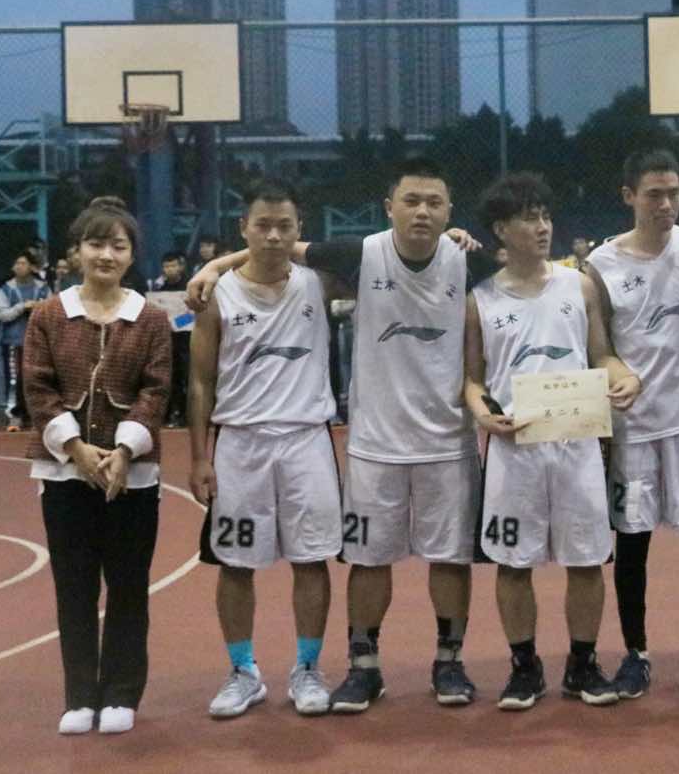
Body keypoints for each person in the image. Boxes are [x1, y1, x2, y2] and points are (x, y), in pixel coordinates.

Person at [184, 157, 484, 712]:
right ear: (388, 207)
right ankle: (286, 668)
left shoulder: (333, 278)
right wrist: (213, 266)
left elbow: (523, 271)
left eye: (434, 203)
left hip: (360, 440)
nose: (274, 236)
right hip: (323, 443)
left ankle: (409, 663)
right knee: (306, 561)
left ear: (449, 211)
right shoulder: (344, 261)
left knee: (347, 558)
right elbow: (202, 375)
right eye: (411, 200)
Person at [463, 171, 641, 711]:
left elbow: (602, 355)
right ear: (501, 229)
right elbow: (472, 379)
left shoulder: (577, 286)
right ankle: (524, 666)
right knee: (513, 563)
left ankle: (582, 664)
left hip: (577, 445)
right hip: (514, 448)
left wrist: (625, 376)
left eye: (545, 216)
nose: (542, 227)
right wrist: (482, 414)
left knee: (586, 559)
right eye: (528, 218)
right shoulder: (479, 300)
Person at [187, 179, 342, 719]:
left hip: (306, 440)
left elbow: (381, 258)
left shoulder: (319, 283)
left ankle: (307, 668)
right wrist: (199, 456)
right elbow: (200, 381)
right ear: (243, 228)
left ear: (300, 230)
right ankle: (243, 671)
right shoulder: (217, 294)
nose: (273, 236)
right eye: (263, 226)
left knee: (312, 557)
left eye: (285, 226)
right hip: (240, 444)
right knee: (235, 563)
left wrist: (215, 261)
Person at [21, 196, 172, 735]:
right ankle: (80, 696)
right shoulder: (46, 316)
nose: (106, 254)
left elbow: (157, 390)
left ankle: (122, 693)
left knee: (128, 586)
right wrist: (76, 449)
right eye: (95, 243)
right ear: (76, 252)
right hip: (64, 473)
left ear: (131, 255)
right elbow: (37, 388)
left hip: (134, 476)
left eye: (118, 245)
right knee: (75, 587)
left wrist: (125, 451)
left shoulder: (151, 319)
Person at [583, 149, 679, 698]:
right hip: (633, 428)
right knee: (633, 542)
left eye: (674, 193)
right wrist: (617, 372)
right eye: (654, 195)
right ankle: (636, 654)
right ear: (629, 197)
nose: (666, 204)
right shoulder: (601, 266)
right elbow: (600, 349)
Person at [0, 252, 52, 430]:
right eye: (17, 263)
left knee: (37, 378)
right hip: (14, 341)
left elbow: (52, 311)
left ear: (32, 267)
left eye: (23, 263)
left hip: (38, 342)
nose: (20, 266)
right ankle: (15, 415)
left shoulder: (43, 288)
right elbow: (2, 315)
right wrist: (22, 307)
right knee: (14, 379)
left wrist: (39, 308)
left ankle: (36, 414)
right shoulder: (6, 289)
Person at [149, 251, 190, 427]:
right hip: (165, 340)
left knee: (185, 376)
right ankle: (169, 413)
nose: (170, 269)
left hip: (185, 340)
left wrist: (175, 323)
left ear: (180, 267)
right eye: (166, 266)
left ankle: (184, 414)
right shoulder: (159, 288)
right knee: (168, 377)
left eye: (173, 265)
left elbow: (193, 314)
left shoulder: (189, 286)